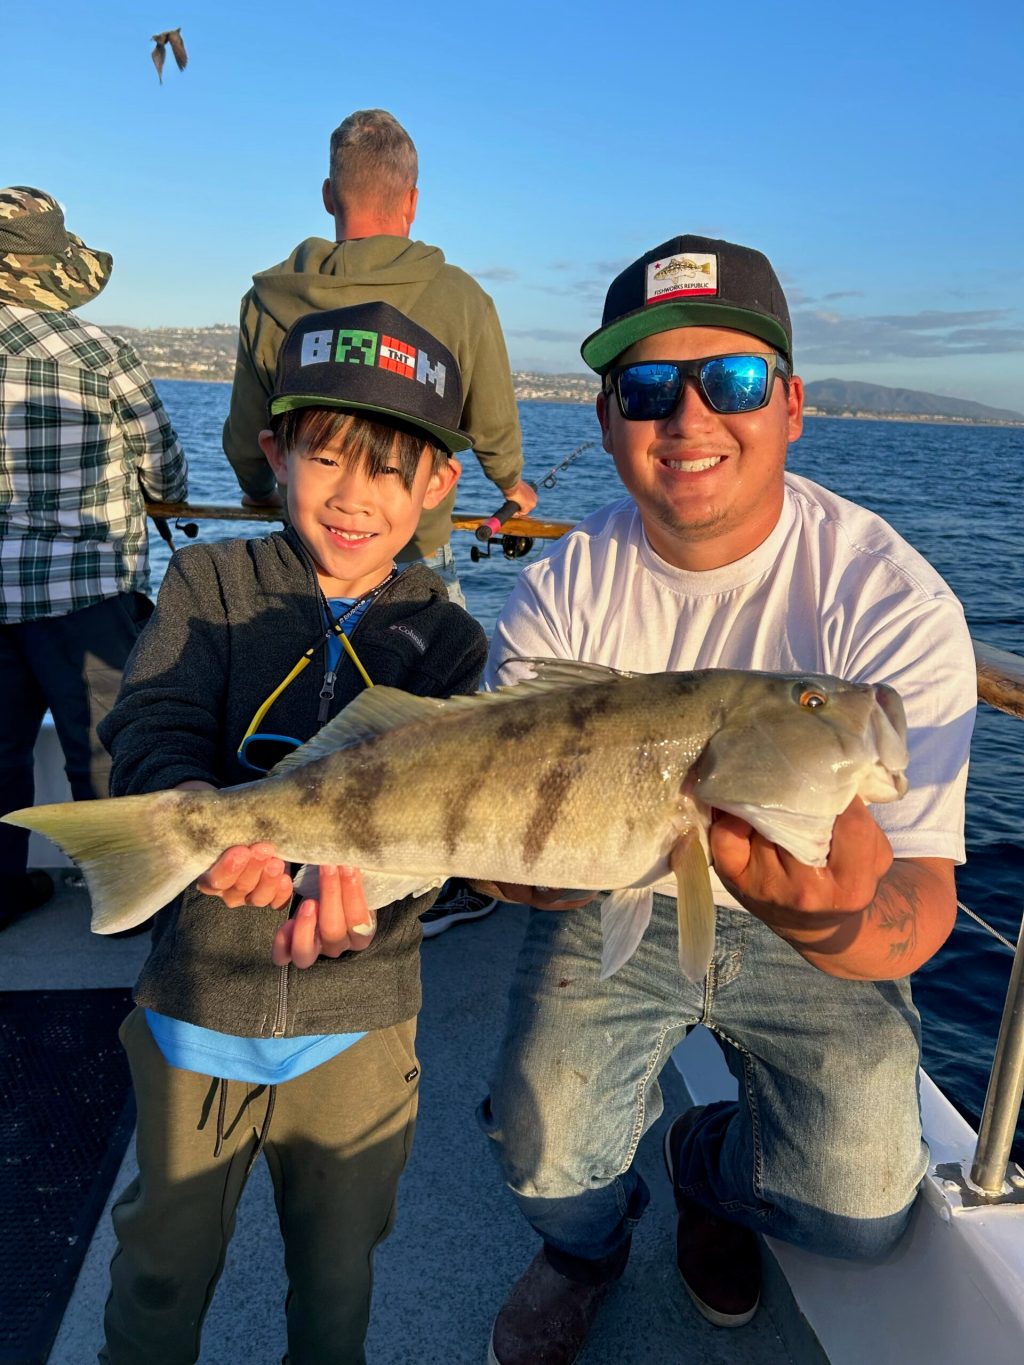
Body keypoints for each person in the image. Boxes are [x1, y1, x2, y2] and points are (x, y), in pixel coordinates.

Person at [478, 235, 978, 1365]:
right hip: (619, 894)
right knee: (539, 1137)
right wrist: (500, 856)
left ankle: (704, 1166)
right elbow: (510, 844)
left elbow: (922, 906)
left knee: (860, 1213)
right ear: (606, 421)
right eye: (648, 388)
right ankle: (586, 1251)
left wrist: (820, 912)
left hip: (807, 938)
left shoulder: (887, 599)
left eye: (733, 380)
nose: (690, 416)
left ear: (791, 405)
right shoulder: (560, 589)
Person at [96, 301, 487, 1364]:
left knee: (338, 1275)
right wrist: (194, 813)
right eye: (326, 457)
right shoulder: (208, 582)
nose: (353, 496)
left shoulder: (447, 640)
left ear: (439, 485)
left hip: (359, 1022)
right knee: (158, 1268)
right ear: (276, 454)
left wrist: (399, 893)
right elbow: (153, 722)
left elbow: (452, 840)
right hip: (197, 1000)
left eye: (391, 471)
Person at [222, 106, 537, 609]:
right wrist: (513, 484)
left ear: (329, 195)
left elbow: (245, 438)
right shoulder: (462, 298)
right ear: (412, 200)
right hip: (413, 547)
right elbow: (493, 426)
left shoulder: (267, 299)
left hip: (311, 547)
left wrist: (260, 492)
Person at [0, 186, 187, 930]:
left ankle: (3, 889)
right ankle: (125, 899)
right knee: (102, 751)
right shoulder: (101, 355)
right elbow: (165, 469)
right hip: (87, 593)